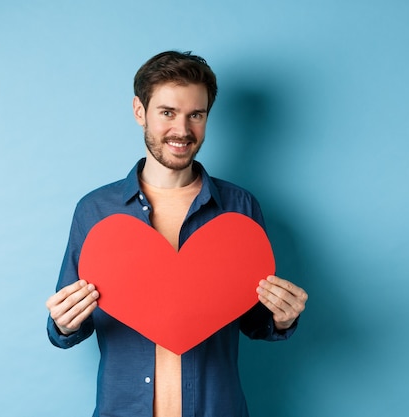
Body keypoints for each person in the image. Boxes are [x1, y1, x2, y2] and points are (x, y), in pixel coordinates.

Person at [46, 50, 308, 417]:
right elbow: (71, 324)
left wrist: (281, 317)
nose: (182, 131)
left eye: (195, 115)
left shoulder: (239, 208)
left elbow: (253, 319)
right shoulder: (95, 212)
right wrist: (62, 322)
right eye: (167, 112)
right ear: (140, 111)